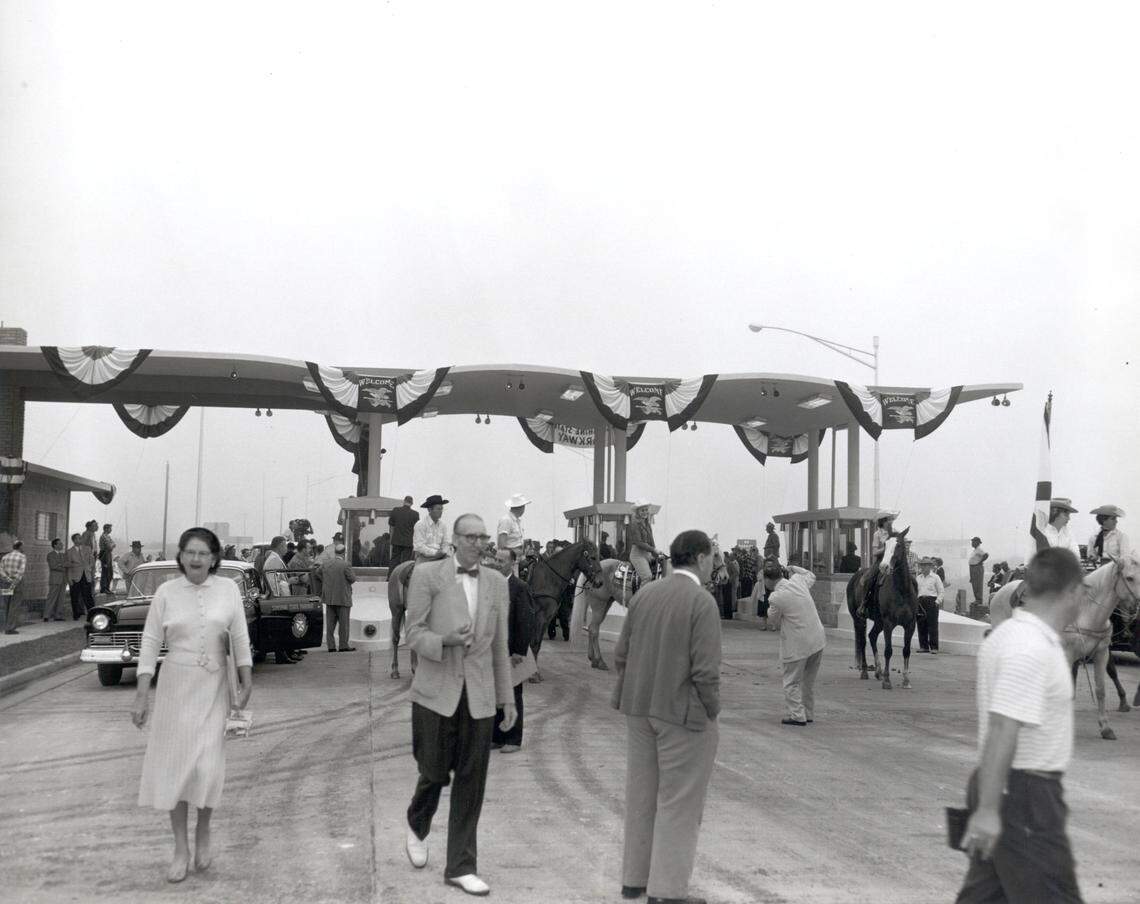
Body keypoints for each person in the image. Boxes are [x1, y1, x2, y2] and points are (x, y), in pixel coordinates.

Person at [955, 547, 1086, 903]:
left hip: (1007, 788)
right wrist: (987, 811)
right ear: (1074, 590)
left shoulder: (1009, 634)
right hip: (1024, 795)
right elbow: (1003, 727)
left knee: (986, 897)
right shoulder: (1031, 648)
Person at [132, 527, 253, 883]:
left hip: (215, 687)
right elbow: (150, 643)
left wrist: (247, 680)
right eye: (190, 552)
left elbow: (240, 638)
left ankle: (204, 830)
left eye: (203, 553)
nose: (196, 559)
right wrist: (141, 693)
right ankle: (180, 848)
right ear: (180, 556)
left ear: (214, 558)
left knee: (207, 767)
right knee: (176, 770)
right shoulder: (166, 593)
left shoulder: (229, 589)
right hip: (174, 689)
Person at [402, 514, 515, 897]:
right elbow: (413, 633)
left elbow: (500, 646)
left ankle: (461, 866)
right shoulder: (428, 575)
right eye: (470, 536)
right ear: (454, 540)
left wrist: (508, 698)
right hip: (435, 692)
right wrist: (445, 640)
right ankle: (417, 824)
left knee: (472, 781)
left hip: (479, 697)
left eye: (482, 537)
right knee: (433, 772)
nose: (478, 543)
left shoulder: (499, 584)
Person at [611, 529, 720, 904]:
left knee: (641, 796)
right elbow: (706, 672)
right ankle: (668, 891)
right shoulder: (702, 602)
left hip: (639, 709)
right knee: (680, 803)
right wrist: (713, 711)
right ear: (702, 558)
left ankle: (634, 880)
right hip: (681, 715)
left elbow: (621, 653)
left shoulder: (645, 593)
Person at [763, 558, 825, 725]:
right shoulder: (798, 580)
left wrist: (770, 606)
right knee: (808, 682)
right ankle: (809, 713)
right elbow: (810, 575)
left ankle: (797, 716)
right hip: (818, 639)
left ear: (767, 580)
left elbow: (773, 621)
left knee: (791, 681)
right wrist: (792, 567)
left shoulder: (775, 597)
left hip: (798, 645)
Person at [491, 548, 536, 753]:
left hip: (513, 653)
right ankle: (497, 737)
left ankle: (513, 739)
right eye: (496, 559)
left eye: (502, 561)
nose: (498, 563)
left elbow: (526, 621)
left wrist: (519, 650)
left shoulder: (519, 587)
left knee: (513, 694)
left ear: (512, 563)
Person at [858, 511, 900, 618]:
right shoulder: (877, 534)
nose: (891, 522)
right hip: (881, 561)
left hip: (893, 560)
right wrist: (886, 547)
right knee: (868, 579)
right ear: (883, 521)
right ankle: (864, 604)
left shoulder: (896, 532)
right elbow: (874, 552)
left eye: (892, 520)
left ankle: (914, 605)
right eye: (889, 520)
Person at [318, 543, 356, 653]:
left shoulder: (326, 563)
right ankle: (343, 645)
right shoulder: (345, 565)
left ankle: (331, 646)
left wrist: (326, 581)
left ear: (335, 552)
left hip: (329, 598)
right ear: (344, 553)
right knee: (343, 625)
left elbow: (317, 572)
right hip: (342, 598)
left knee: (330, 625)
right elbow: (352, 579)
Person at [627, 501, 666, 583]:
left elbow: (651, 540)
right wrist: (653, 550)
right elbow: (639, 542)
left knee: (663, 569)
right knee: (647, 577)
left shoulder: (646, 523)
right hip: (637, 555)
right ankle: (642, 595)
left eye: (646, 510)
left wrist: (656, 554)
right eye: (642, 510)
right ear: (637, 511)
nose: (645, 512)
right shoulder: (634, 523)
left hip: (647, 554)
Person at [915, 557, 946, 654]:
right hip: (920, 602)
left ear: (930, 567)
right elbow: (915, 591)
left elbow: (941, 591)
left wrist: (937, 602)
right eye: (922, 565)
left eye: (925, 565)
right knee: (921, 624)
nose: (923, 567)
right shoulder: (918, 578)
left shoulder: (936, 577)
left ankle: (934, 647)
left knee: (932, 625)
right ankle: (923, 647)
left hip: (931, 601)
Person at [413, 494, 451, 562]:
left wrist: (443, 552)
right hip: (424, 558)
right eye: (438, 509)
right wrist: (435, 553)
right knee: (421, 571)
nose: (441, 511)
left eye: (441, 509)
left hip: (441, 557)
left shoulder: (443, 525)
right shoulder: (420, 524)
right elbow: (419, 546)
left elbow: (446, 542)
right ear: (429, 510)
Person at [65, 532, 95, 617]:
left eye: (81, 538)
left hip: (86, 576)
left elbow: (92, 562)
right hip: (75, 577)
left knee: (88, 596)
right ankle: (76, 614)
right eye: (78, 538)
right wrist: (69, 579)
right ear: (74, 540)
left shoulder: (88, 549)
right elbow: (68, 567)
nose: (80, 539)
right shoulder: (69, 552)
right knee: (74, 596)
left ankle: (92, 613)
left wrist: (91, 572)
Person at [1, 539, 27, 634]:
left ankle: (6, 626)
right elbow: (21, 571)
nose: (24, 548)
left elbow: (1, 570)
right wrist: (14, 582)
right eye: (23, 546)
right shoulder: (22, 557)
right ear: (20, 547)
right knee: (15, 605)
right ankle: (10, 628)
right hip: (17, 583)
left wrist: (8, 579)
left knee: (6, 604)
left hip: (5, 582)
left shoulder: (5, 556)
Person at [389, 495, 420, 566]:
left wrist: (391, 540)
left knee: (394, 560)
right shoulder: (415, 514)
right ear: (412, 503)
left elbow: (391, 526)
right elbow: (417, 530)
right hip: (408, 542)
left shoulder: (395, 510)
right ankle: (403, 577)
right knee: (406, 563)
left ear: (404, 501)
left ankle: (391, 576)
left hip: (396, 541)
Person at [43, 538, 69, 621]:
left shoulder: (63, 555)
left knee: (61, 598)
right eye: (60, 544)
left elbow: (67, 564)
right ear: (55, 545)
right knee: (51, 597)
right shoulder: (50, 555)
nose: (62, 545)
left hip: (63, 579)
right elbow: (53, 566)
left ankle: (58, 615)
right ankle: (46, 615)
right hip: (55, 579)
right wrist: (62, 566)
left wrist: (60, 565)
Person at [968, 537, 989, 606]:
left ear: (977, 542)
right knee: (974, 584)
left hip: (977, 568)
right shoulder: (975, 550)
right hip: (973, 568)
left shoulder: (979, 549)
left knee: (978, 584)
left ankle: (979, 600)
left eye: (973, 542)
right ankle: (977, 599)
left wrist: (980, 562)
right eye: (972, 542)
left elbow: (986, 555)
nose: (972, 543)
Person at [98, 523, 116, 594]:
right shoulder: (104, 536)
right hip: (105, 555)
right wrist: (112, 545)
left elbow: (113, 544)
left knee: (109, 572)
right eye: (110, 528)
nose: (111, 530)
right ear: (106, 529)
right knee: (105, 572)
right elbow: (110, 546)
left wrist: (112, 545)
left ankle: (107, 587)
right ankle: (104, 588)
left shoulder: (107, 536)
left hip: (108, 554)